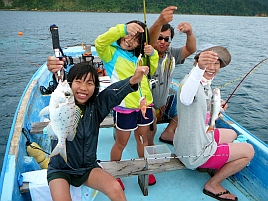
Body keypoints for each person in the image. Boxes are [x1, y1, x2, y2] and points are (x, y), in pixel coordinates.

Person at [46, 61, 149, 201]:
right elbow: (58, 85)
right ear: (70, 83)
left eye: (89, 83)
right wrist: (55, 71)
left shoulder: (97, 108)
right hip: (60, 169)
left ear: (95, 87)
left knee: (115, 188)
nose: (83, 88)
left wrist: (133, 80)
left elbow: (114, 93)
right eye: (78, 81)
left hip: (88, 167)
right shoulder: (61, 101)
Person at [174, 44, 254, 200]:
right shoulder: (190, 83)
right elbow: (186, 97)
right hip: (193, 153)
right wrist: (199, 69)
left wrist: (216, 108)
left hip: (184, 144)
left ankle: (211, 162)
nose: (212, 67)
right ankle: (213, 184)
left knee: (231, 134)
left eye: (216, 63)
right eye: (207, 61)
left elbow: (198, 108)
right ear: (197, 61)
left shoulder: (204, 83)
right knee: (248, 151)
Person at [94, 20, 159, 189]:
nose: (130, 40)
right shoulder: (110, 53)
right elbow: (99, 42)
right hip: (124, 107)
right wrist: (122, 29)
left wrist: (152, 54)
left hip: (144, 105)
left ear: (141, 43)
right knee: (121, 143)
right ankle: (114, 173)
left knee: (142, 139)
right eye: (128, 35)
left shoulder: (140, 56)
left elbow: (152, 68)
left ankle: (145, 168)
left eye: (136, 39)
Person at [148, 6, 197, 145]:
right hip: (144, 107)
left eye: (166, 38)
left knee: (191, 100)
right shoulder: (144, 54)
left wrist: (189, 33)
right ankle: (149, 145)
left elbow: (191, 49)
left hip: (163, 105)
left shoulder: (172, 54)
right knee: (150, 113)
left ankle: (169, 132)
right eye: (159, 38)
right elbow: (149, 41)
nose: (162, 41)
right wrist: (159, 21)